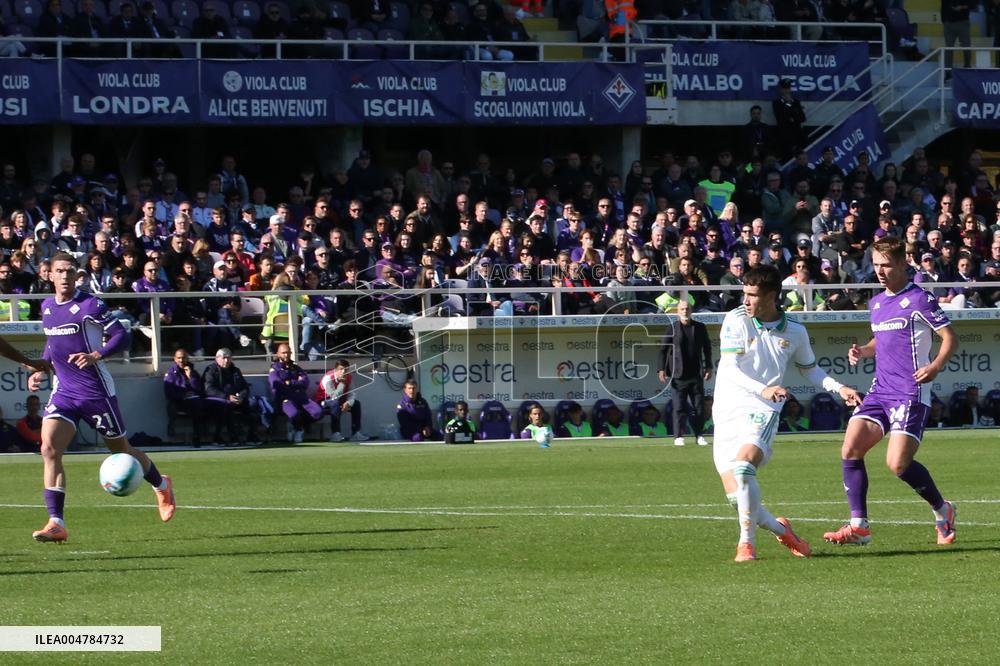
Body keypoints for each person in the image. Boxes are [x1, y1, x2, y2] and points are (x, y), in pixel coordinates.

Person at [714, 264, 861, 562]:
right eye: (744, 293)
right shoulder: (735, 320)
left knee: (744, 469)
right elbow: (729, 368)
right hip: (728, 408)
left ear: (771, 296)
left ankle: (746, 544)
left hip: (763, 410)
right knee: (735, 495)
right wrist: (763, 388)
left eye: (752, 295)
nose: (745, 301)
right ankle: (781, 530)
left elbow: (810, 369)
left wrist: (838, 387)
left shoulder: (795, 331)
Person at [26, 253, 175, 543]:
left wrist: (96, 355)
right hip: (65, 391)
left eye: (70, 271)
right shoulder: (46, 307)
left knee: (120, 450)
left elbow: (122, 335)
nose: (66, 276)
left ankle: (161, 484)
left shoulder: (90, 304)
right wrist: (42, 368)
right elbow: (52, 342)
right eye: (60, 271)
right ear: (50, 275)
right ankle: (56, 522)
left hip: (95, 392)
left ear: (77, 274)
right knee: (49, 448)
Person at [824, 236, 959, 547]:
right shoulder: (876, 303)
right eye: (876, 265)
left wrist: (936, 366)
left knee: (897, 464)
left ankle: (943, 509)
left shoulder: (919, 299)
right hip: (879, 391)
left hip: (909, 392)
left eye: (886, 265)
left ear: (902, 264)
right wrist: (863, 350)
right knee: (850, 448)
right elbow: (879, 342)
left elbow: (950, 338)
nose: (880, 271)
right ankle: (859, 526)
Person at [657, 300, 712, 447]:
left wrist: (709, 367)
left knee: (699, 407)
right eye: (681, 309)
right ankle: (678, 436)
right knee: (679, 407)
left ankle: (699, 435)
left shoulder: (700, 327)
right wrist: (661, 369)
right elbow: (663, 350)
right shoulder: (672, 328)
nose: (684, 311)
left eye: (687, 309)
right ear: (677, 311)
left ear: (691, 310)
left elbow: (707, 348)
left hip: (696, 374)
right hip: (678, 375)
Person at [204, 347, 264, 445]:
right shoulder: (211, 370)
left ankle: (252, 435)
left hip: (236, 399)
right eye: (224, 358)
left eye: (229, 358)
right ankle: (228, 437)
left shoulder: (235, 370)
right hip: (218, 400)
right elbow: (209, 389)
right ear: (217, 358)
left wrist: (241, 396)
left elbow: (245, 387)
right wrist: (227, 397)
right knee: (226, 406)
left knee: (253, 404)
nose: (226, 360)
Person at [268, 342, 323, 444]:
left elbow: (305, 382)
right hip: (285, 398)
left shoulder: (295, 367)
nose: (286, 355)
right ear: (278, 354)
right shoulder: (275, 369)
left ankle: (299, 426)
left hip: (301, 397)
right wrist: (297, 382)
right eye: (284, 353)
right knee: (293, 413)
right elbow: (277, 385)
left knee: (318, 412)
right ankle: (298, 429)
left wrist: (290, 382)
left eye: (288, 353)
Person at [162, 348, 211, 446]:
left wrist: (190, 377)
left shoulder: (193, 372)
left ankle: (201, 435)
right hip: (179, 402)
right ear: (175, 359)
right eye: (179, 358)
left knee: (204, 404)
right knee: (197, 405)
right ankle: (198, 435)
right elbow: (169, 393)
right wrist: (183, 395)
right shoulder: (171, 374)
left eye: (183, 358)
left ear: (187, 359)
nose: (181, 360)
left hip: (194, 402)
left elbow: (200, 390)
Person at [314, 359, 368, 442]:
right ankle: (335, 433)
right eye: (341, 369)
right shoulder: (328, 378)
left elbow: (352, 393)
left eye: (346, 369)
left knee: (356, 404)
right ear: (336, 370)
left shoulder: (349, 377)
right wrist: (342, 383)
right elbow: (334, 396)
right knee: (335, 403)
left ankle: (355, 433)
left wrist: (348, 403)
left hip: (340, 400)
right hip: (323, 401)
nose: (344, 372)